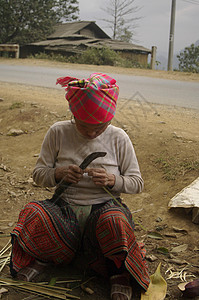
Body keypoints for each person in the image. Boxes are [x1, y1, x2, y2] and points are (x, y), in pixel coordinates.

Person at [10, 73, 150, 300]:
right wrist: (57, 173)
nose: (93, 133)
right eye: (85, 127)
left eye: (100, 127)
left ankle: (118, 274)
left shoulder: (119, 138)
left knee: (115, 221)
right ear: (73, 115)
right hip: (65, 209)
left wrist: (113, 180)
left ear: (110, 120)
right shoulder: (58, 132)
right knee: (34, 213)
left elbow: (137, 183)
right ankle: (45, 257)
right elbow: (38, 175)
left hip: (104, 209)